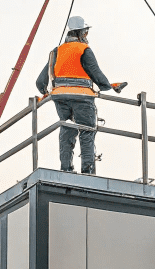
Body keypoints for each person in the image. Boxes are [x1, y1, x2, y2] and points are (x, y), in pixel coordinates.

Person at [36, 16, 124, 174]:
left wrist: (46, 93)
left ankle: (66, 169)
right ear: (81, 33)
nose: (87, 36)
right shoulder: (83, 50)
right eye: (86, 33)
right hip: (82, 97)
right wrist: (107, 87)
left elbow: (40, 82)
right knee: (86, 130)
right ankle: (87, 171)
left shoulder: (57, 52)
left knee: (67, 129)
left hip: (61, 97)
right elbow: (96, 73)